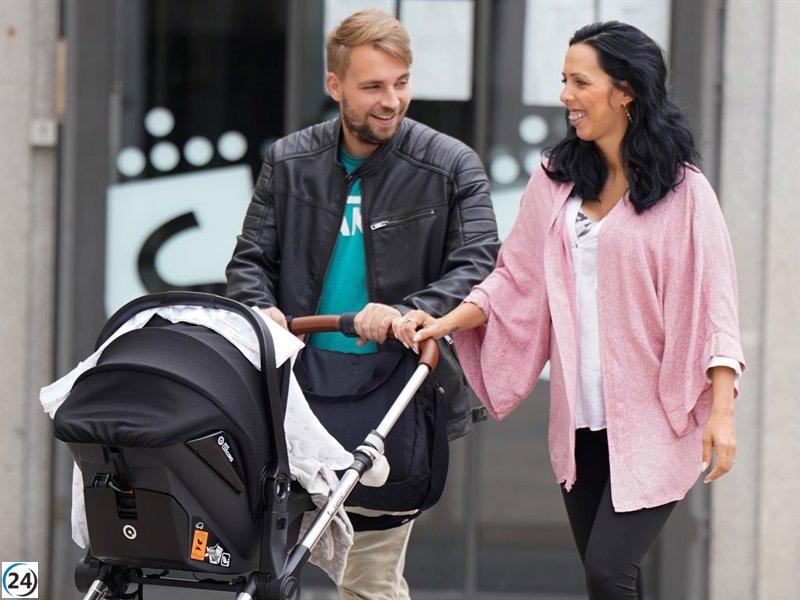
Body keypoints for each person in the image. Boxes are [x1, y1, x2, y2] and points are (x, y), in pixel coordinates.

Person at [394, 21, 745, 599]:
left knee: (611, 572)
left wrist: (723, 412)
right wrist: (446, 321)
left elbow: (715, 304)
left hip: (656, 416)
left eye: (580, 82)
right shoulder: (555, 180)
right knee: (601, 578)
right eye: (563, 80)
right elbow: (515, 279)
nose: (565, 96)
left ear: (625, 91)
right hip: (579, 419)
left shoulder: (685, 192)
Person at [225, 9, 499, 599]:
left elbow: (479, 264)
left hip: (390, 392)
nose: (391, 100)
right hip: (295, 393)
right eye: (373, 86)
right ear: (335, 86)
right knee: (271, 570)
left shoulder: (450, 165)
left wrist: (409, 311)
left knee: (368, 578)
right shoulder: (289, 160)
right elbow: (250, 260)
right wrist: (260, 310)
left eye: (401, 83)